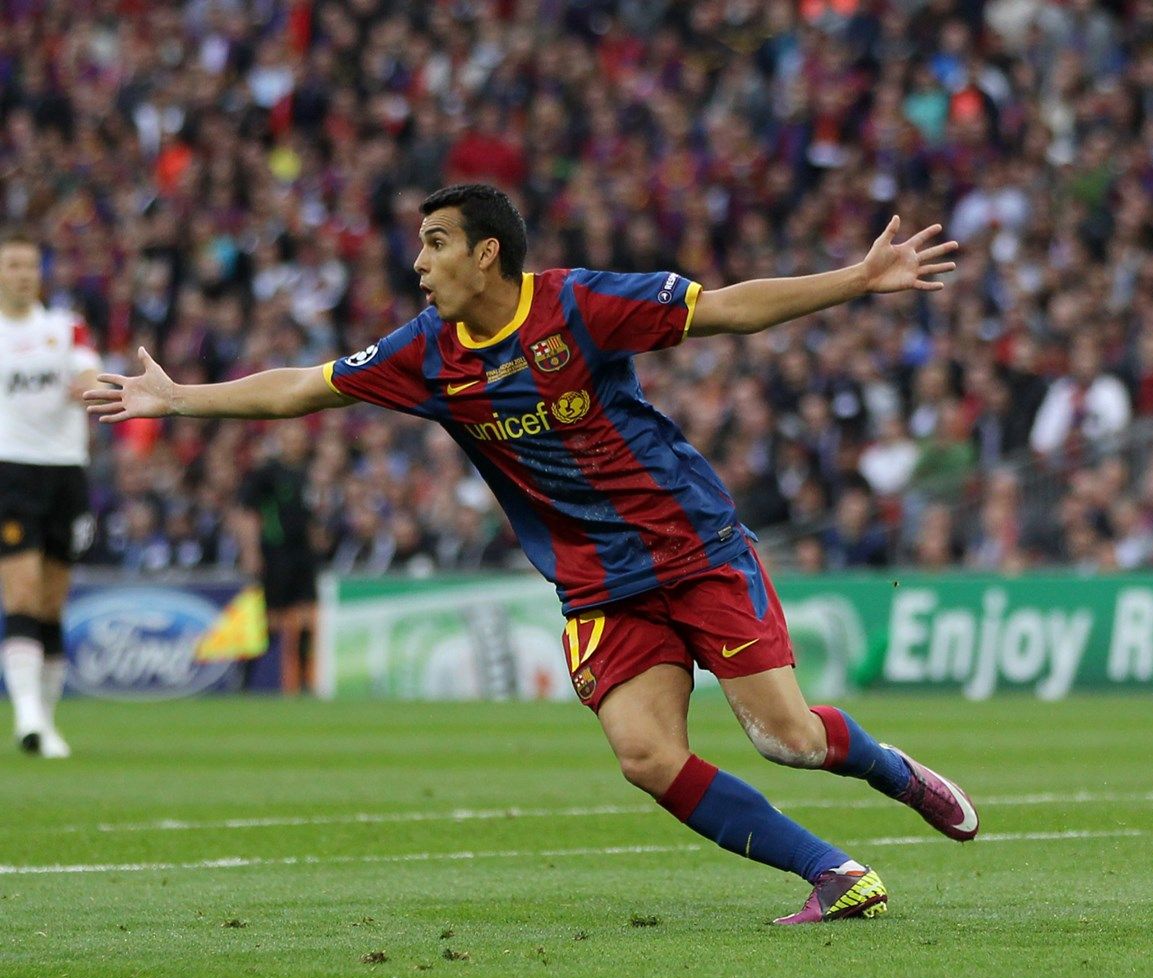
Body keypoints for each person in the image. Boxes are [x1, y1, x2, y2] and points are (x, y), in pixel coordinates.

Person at [87, 184, 976, 924]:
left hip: (690, 545)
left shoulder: (580, 304)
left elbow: (728, 308)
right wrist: (180, 401)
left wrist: (859, 279)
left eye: (436, 244)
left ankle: (893, 771)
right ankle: (835, 874)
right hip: (597, 583)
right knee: (645, 756)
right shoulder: (426, 354)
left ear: (487, 255)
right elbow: (301, 389)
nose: (418, 263)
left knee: (788, 739)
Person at [0, 230, 99, 759]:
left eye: (28, 266)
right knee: (19, 593)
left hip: (66, 471)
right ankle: (28, 720)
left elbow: (89, 373)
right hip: (11, 470)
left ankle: (47, 720)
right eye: (12, 265)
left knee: (50, 603)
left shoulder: (65, 326)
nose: (21, 274)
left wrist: (85, 386)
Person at [236, 423, 321, 693]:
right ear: (281, 441)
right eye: (290, 438)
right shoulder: (267, 473)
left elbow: (308, 514)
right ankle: (246, 678)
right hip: (276, 554)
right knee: (271, 619)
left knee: (308, 616)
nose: (296, 443)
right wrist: (251, 552)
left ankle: (305, 683)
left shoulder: (308, 473)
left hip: (303, 555)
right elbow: (247, 512)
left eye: (299, 438)